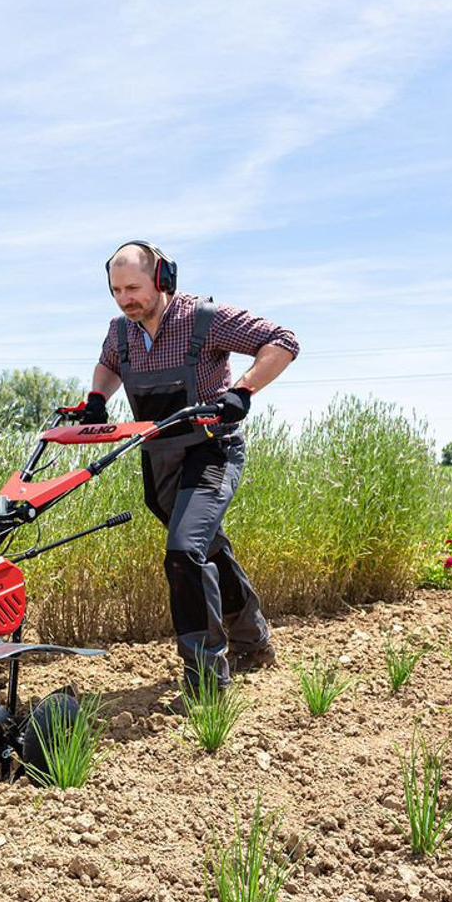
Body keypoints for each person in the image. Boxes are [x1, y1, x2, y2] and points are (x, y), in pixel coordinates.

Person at [78, 240, 299, 692]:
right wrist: (98, 398)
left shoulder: (204, 319)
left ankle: (205, 681)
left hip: (213, 451)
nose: (125, 299)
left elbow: (283, 341)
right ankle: (253, 642)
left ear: (163, 278)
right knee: (205, 549)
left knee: (183, 553)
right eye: (116, 290)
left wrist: (243, 390)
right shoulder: (120, 332)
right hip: (160, 458)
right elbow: (108, 365)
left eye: (134, 288)